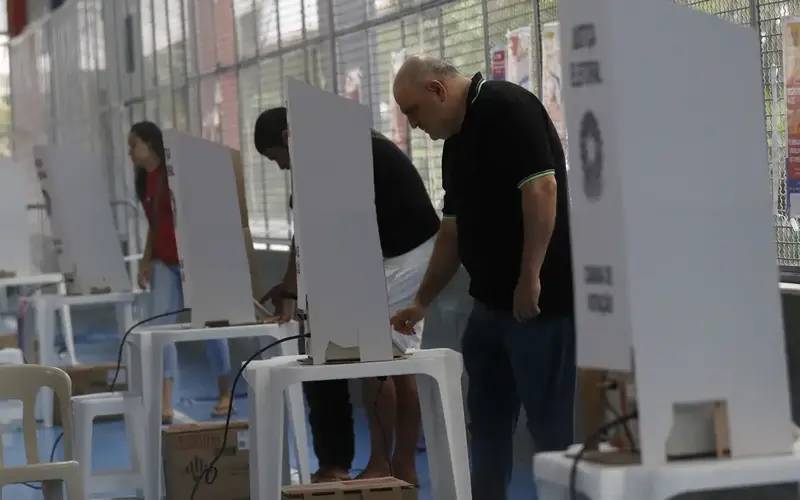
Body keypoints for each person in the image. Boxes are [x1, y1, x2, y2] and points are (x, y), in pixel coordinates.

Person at [391, 57, 576, 499]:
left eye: (413, 111)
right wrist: (423, 300)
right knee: (487, 425)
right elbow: (452, 230)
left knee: (550, 430)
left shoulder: (507, 107)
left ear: (437, 90)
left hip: (539, 308)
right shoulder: (456, 144)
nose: (414, 125)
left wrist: (530, 277)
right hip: (489, 307)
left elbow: (542, 189)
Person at [254, 107, 439, 485]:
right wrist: (292, 288)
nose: (281, 168)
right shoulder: (339, 143)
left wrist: (298, 290)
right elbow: (305, 232)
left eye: (277, 158)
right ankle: (400, 466)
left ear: (288, 139)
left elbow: (308, 235)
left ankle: (385, 465)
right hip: (403, 250)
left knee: (377, 360)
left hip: (405, 254)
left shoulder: (326, 153)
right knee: (395, 360)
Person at [128, 121, 234, 424]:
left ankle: (224, 391)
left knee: (211, 326)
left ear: (151, 144)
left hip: (194, 260)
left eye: (133, 145)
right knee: (162, 330)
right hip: (164, 262)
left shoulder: (175, 173)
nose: (130, 153)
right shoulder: (143, 180)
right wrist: (146, 260)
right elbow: (154, 225)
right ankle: (165, 401)